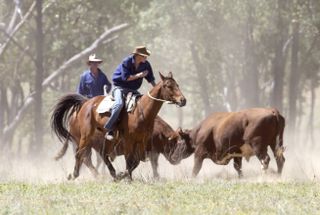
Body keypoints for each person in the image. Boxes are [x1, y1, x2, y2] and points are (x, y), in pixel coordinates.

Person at [104, 46, 156, 140]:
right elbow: (126, 78)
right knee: (119, 104)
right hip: (120, 88)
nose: (146, 58)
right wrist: (139, 75)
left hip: (133, 90)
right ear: (138, 55)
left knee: (142, 106)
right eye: (144, 56)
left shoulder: (146, 64)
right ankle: (109, 128)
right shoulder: (126, 62)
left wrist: (157, 89)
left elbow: (151, 79)